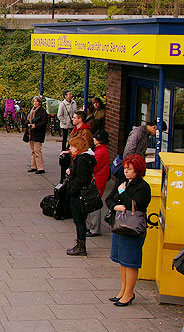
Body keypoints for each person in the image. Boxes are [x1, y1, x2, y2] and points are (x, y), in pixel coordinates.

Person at [107, 154, 151, 306]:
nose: (126, 172)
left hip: (133, 228)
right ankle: (123, 290)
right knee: (122, 261)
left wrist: (122, 193)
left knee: (130, 261)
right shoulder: (122, 182)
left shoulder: (143, 187)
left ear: (138, 170)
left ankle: (129, 293)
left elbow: (135, 205)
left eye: (129, 169)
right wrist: (115, 206)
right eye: (125, 168)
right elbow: (109, 199)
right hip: (120, 225)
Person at [65, 136, 97, 256]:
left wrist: (73, 190)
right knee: (80, 221)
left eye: (72, 146)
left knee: (79, 221)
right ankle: (79, 244)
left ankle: (81, 246)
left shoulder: (81, 160)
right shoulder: (87, 158)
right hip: (81, 194)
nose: (70, 149)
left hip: (78, 195)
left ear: (78, 147)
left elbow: (81, 178)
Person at [87, 129, 110, 237]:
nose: (93, 139)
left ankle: (94, 228)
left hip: (98, 179)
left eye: (95, 138)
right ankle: (93, 227)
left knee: (94, 203)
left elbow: (94, 166)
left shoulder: (100, 152)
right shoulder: (101, 150)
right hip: (100, 178)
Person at [59, 110, 93, 181]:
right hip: (73, 156)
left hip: (77, 157)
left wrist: (69, 152)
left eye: (74, 118)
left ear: (80, 119)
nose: (72, 119)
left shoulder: (85, 132)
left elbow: (84, 146)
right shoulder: (75, 129)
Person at [26, 95, 48, 174]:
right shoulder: (32, 110)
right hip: (31, 132)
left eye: (36, 101)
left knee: (37, 150)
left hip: (38, 133)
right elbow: (27, 119)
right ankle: (33, 166)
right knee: (33, 151)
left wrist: (36, 125)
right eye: (34, 101)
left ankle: (40, 167)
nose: (35, 103)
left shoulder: (42, 111)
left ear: (39, 103)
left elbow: (44, 122)